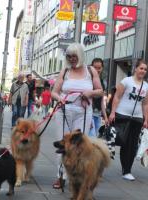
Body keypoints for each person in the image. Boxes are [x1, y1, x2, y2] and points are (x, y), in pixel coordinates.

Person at [51, 43, 103, 189]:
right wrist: (59, 98)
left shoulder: (91, 71)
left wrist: (90, 93)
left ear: (80, 55)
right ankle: (60, 176)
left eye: (74, 56)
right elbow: (54, 92)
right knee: (63, 144)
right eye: (69, 56)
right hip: (64, 111)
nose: (72, 59)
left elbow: (100, 91)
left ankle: (77, 178)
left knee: (79, 146)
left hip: (84, 112)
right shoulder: (65, 71)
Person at [109, 59, 148, 181]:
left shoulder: (146, 86)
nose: (143, 71)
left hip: (137, 118)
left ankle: (127, 170)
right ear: (135, 69)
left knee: (132, 145)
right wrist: (112, 112)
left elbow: (145, 104)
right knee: (123, 142)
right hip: (122, 115)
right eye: (141, 68)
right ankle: (121, 166)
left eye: (145, 69)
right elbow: (117, 97)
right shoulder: (126, 81)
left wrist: (146, 119)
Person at [89, 58, 108, 137]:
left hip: (98, 115)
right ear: (91, 68)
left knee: (94, 139)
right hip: (89, 114)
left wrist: (105, 117)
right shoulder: (88, 81)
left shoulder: (104, 83)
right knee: (91, 137)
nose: (97, 70)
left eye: (99, 68)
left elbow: (101, 101)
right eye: (94, 68)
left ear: (102, 68)